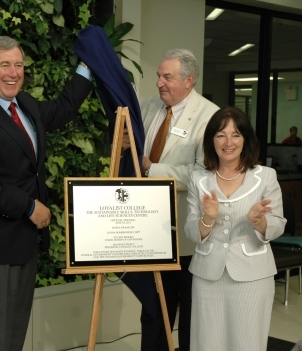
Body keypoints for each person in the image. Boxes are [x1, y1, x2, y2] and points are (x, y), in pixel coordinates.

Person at [0, 36, 93, 351]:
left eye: (19, 65)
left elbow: (63, 109)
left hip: (20, 246)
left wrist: (88, 65)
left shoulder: (25, 104)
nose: (13, 72)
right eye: (5, 65)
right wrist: (28, 207)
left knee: (11, 340)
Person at [121, 48, 219, 351]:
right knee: (153, 312)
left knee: (190, 315)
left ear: (189, 80)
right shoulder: (148, 107)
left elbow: (205, 174)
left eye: (167, 77)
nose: (159, 83)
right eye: (158, 76)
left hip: (187, 236)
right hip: (150, 234)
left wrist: (153, 169)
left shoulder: (210, 116)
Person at [184, 106, 286, 350]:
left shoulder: (266, 176)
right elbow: (190, 230)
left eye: (236, 135)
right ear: (212, 140)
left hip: (252, 276)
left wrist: (259, 221)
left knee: (248, 341)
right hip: (208, 275)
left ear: (246, 140)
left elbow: (278, 224)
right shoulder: (199, 179)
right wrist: (208, 218)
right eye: (221, 135)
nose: (228, 142)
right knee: (207, 342)